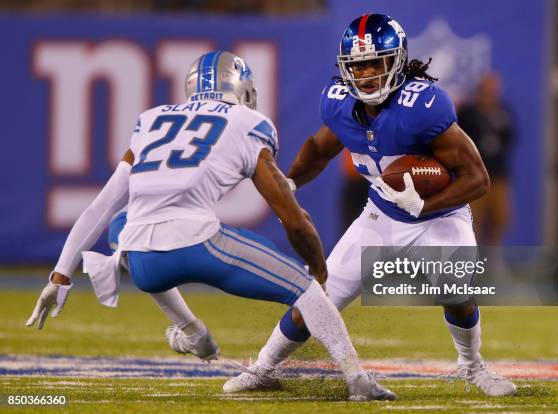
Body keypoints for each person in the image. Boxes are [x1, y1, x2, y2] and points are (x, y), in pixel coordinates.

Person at [25, 50, 395, 402]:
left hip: (142, 264)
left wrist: (60, 276)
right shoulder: (248, 122)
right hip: (198, 246)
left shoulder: (152, 120)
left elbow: (101, 206)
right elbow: (293, 218)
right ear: (243, 91)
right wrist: (316, 267)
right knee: (309, 293)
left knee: (122, 223)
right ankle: (357, 379)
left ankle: (193, 332)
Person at [223, 14, 517, 397]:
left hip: (439, 215)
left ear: (395, 62)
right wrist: (291, 181)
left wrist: (424, 205)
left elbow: (478, 178)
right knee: (319, 296)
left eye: (375, 63)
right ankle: (263, 368)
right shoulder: (340, 104)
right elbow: (319, 147)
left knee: (456, 290)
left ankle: (474, 367)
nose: (366, 75)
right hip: (380, 213)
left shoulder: (422, 107)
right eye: (358, 66)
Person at [457, 72, 515, 245]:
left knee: (500, 220)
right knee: (472, 222)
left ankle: (493, 259)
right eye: (487, 88)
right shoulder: (467, 112)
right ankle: (470, 261)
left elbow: (511, 138)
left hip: (498, 175)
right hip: (475, 177)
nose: (490, 92)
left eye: (493, 88)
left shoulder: (504, 112)